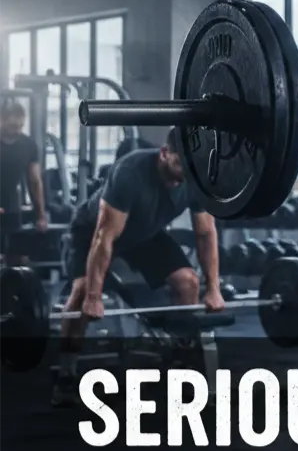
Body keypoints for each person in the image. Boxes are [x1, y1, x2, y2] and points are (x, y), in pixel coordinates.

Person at [54, 128, 225, 408]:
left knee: (188, 282)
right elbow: (104, 236)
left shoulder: (196, 178)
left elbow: (205, 233)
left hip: (145, 233)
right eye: (180, 165)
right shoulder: (131, 172)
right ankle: (66, 374)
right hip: (92, 232)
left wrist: (214, 289)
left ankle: (182, 357)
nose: (184, 175)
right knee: (82, 291)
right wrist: (95, 298)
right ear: (164, 154)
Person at [0, 101, 47, 266]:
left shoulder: (28, 144)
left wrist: (41, 214)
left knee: (17, 257)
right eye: (13, 126)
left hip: (11, 206)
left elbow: (34, 181)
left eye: (20, 126)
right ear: (1, 119)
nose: (17, 131)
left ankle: (11, 288)